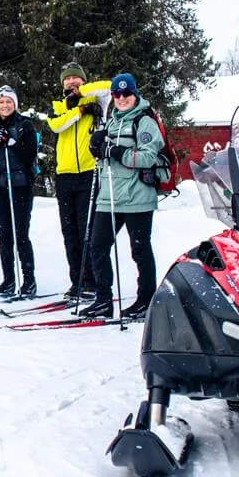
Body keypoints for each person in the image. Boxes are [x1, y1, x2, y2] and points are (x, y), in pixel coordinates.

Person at [79, 72, 164, 321]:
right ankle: (103, 300)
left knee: (140, 250)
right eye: (117, 94)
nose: (122, 98)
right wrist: (95, 146)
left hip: (137, 196)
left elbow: (148, 156)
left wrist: (118, 152)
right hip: (109, 197)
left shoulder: (144, 121)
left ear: (134, 94)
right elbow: (102, 155)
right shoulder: (112, 121)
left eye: (127, 93)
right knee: (97, 246)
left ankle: (145, 301)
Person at [46, 62, 112, 299]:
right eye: (67, 79)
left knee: (88, 230)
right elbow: (56, 125)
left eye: (76, 78)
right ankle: (77, 281)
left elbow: (110, 86)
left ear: (83, 80)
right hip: (65, 174)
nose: (71, 82)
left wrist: (82, 94)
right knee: (70, 232)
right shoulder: (58, 105)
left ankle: (92, 281)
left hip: (88, 172)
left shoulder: (97, 99)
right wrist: (78, 110)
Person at [0, 85, 39, 298]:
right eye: (1, 102)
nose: (5, 105)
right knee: (4, 234)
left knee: (21, 234)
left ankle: (29, 280)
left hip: (20, 185)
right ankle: (8, 280)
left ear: (14, 104)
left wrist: (12, 141)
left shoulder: (24, 124)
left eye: (8, 101)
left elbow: (29, 153)